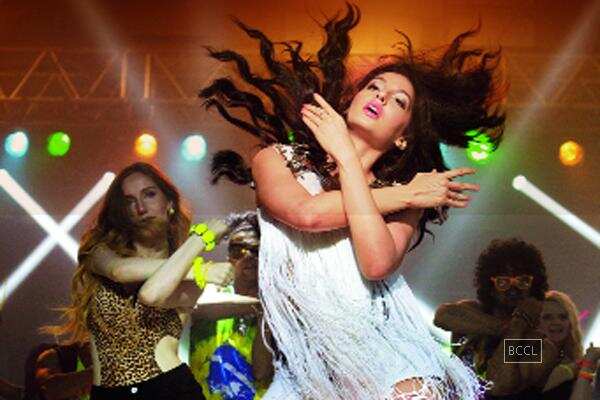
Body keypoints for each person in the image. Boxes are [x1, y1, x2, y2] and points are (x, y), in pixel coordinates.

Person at [201, 4, 506, 399]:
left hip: (387, 355)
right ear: (352, 100)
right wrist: (395, 188)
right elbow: (307, 214)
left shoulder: (407, 200)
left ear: (403, 136)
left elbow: (376, 264)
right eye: (374, 87)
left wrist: (353, 162)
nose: (382, 96)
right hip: (308, 367)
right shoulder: (277, 159)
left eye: (399, 101)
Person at [44, 162, 232, 400]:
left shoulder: (191, 272)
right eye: (129, 201)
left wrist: (196, 245)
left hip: (169, 389)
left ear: (170, 204)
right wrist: (201, 254)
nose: (141, 208)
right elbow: (119, 270)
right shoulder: (98, 251)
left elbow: (151, 295)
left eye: (149, 194)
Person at [434, 238, 554, 398]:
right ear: (490, 286)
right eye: (503, 282)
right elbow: (443, 316)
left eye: (523, 281)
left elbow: (498, 386)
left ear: (534, 286)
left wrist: (518, 327)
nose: (513, 289)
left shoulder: (536, 345)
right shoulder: (474, 313)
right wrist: (505, 328)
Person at [190, 211, 273, 399]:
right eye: (239, 250)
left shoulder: (277, 308)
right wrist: (260, 306)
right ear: (229, 257)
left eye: (257, 250)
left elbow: (261, 373)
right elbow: (198, 309)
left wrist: (267, 312)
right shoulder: (212, 290)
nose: (248, 256)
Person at [535, 290, 584, 399]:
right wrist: (567, 371)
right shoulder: (523, 351)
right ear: (536, 322)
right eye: (547, 317)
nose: (556, 322)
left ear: (571, 323)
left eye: (563, 317)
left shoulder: (574, 359)